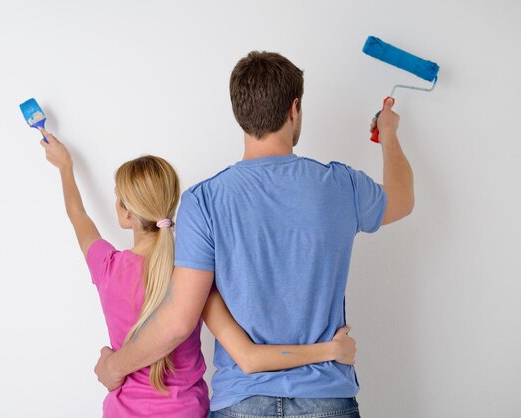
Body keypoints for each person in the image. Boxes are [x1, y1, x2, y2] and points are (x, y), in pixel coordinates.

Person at [94, 50, 414, 418]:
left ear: (239, 114)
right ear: (294, 109)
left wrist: (116, 366)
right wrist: (388, 134)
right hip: (326, 398)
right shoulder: (341, 186)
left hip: (241, 403)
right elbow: (402, 200)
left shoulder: (204, 200)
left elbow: (180, 319)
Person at [38, 129, 358, 417]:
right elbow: (247, 356)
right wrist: (330, 350)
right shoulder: (195, 276)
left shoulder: (107, 266)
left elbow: (77, 215)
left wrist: (65, 167)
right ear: (171, 203)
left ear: (124, 212)